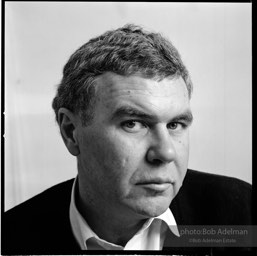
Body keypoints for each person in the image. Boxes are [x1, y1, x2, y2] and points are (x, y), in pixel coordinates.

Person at [3, 24, 252, 254]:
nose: (166, 153)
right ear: (71, 132)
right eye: (133, 124)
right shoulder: (11, 238)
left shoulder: (240, 217)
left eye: (175, 124)